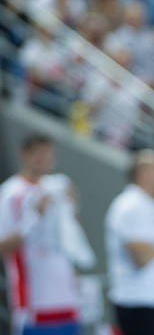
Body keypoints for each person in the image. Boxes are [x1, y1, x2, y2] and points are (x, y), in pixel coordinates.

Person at [0, 135, 82, 335]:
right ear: (25, 155)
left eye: (48, 154)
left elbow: (71, 241)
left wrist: (72, 208)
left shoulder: (58, 185)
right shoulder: (11, 192)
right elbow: (3, 246)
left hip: (67, 299)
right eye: (38, 153)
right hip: (33, 302)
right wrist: (33, 217)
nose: (44, 159)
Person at [105, 150, 154, 335]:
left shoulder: (150, 205)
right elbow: (141, 258)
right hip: (140, 303)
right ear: (143, 174)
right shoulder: (131, 206)